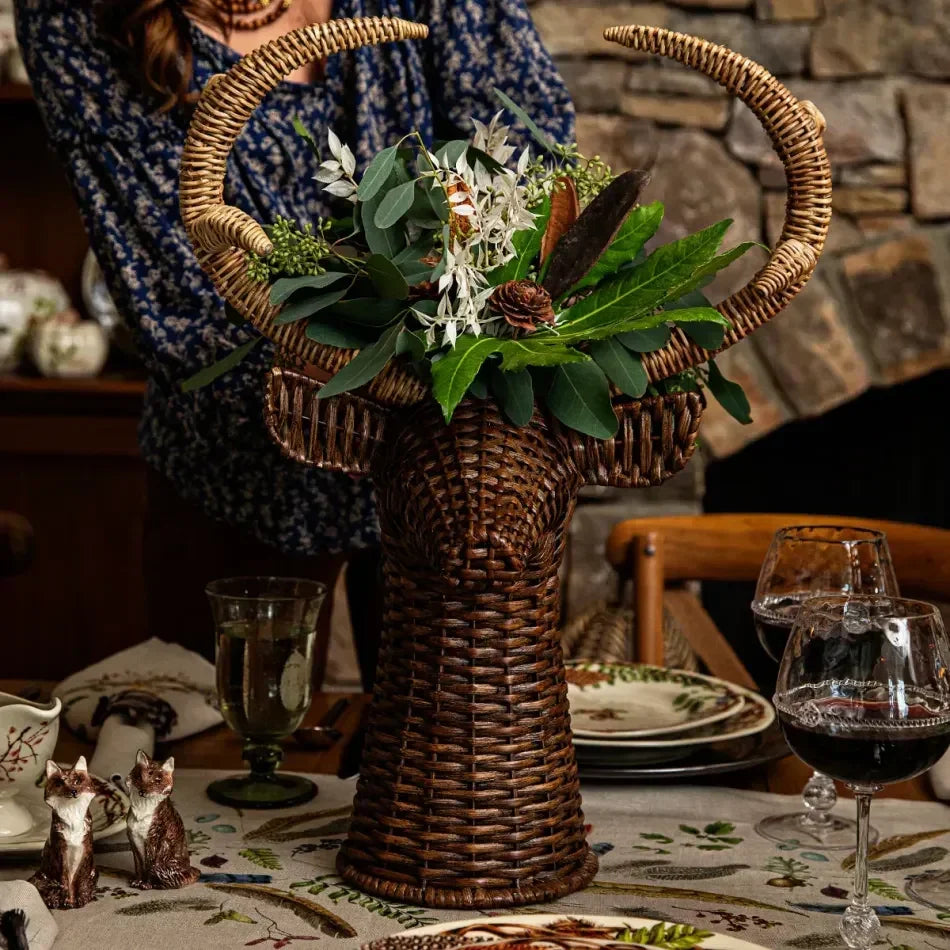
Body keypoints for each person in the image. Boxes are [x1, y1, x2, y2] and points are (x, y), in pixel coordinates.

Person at [13, 0, 575, 685]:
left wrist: (465, 355)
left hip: (448, 454)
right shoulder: (79, 13)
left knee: (460, 733)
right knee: (236, 735)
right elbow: (183, 289)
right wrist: (399, 344)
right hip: (240, 461)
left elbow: (531, 166)